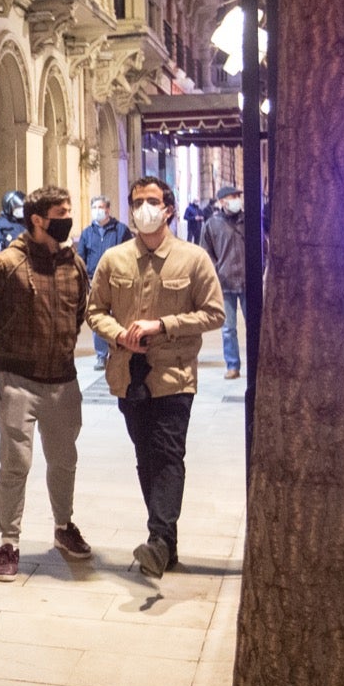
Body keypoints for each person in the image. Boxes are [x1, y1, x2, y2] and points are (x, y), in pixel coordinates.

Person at [87, 176, 224, 579]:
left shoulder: (193, 259)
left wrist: (163, 325)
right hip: (127, 376)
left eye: (151, 200)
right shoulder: (113, 259)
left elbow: (214, 313)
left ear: (169, 209)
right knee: (146, 457)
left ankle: (158, 539)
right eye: (136, 201)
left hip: (173, 376)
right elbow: (94, 311)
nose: (143, 208)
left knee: (167, 454)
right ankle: (167, 548)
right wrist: (119, 334)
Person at [0, 185, 93, 581]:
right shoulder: (6, 264)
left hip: (63, 382)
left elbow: (78, 313)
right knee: (16, 463)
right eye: (60, 214)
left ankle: (64, 527)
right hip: (18, 381)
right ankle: (9, 542)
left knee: (64, 460)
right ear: (37, 219)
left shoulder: (74, 265)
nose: (68, 220)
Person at [76, 197, 132, 370]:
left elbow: (130, 254)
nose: (97, 211)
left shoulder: (121, 230)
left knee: (119, 316)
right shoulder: (87, 233)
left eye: (100, 207)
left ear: (108, 209)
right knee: (98, 316)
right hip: (95, 281)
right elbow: (81, 258)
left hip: (118, 280)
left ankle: (119, 350)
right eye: (94, 207)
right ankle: (101, 355)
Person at [200, 184, 247, 380]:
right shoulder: (212, 224)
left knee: (254, 326)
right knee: (228, 328)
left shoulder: (247, 220)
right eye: (232, 197)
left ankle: (257, 362)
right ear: (221, 202)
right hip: (225, 283)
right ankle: (233, 365)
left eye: (237, 196)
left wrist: (258, 269)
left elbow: (262, 246)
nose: (236, 200)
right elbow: (205, 253)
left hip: (247, 281)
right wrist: (216, 273)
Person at [0, 189, 29, 254]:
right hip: (8, 257)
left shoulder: (27, 221)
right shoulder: (0, 224)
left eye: (22, 207)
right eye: (17, 207)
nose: (21, 210)